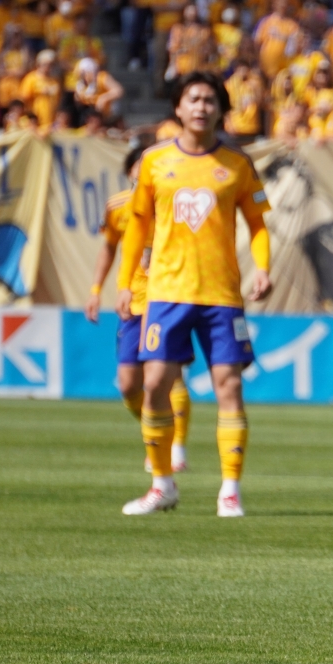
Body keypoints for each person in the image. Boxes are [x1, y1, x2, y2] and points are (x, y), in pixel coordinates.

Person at [116, 71, 272, 517]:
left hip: (222, 295)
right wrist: (125, 283)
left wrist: (263, 267)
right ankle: (162, 485)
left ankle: (230, 491)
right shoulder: (154, 161)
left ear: (221, 110)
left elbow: (257, 224)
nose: (201, 106)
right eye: (194, 99)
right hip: (166, 292)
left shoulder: (237, 164)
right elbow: (137, 227)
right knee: (154, 385)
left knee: (229, 386)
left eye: (209, 100)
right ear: (178, 108)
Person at [85, 147, 192, 474]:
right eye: (140, 165)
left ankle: (175, 448)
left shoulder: (176, 203)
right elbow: (109, 248)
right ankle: (158, 432)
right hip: (132, 303)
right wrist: (96, 290)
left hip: (168, 299)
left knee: (168, 376)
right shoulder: (117, 206)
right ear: (130, 171)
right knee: (129, 384)